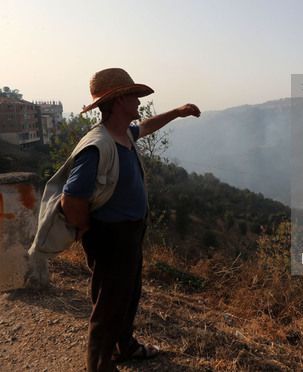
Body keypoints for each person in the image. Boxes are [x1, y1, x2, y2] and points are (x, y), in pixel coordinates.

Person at [60, 68, 201, 372]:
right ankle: (99, 365)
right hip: (110, 237)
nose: (139, 102)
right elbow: (71, 199)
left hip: (130, 234)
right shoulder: (97, 145)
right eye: (134, 96)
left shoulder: (123, 134)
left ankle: (125, 347)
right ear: (120, 100)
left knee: (128, 294)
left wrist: (177, 113)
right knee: (108, 306)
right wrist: (84, 227)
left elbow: (147, 126)